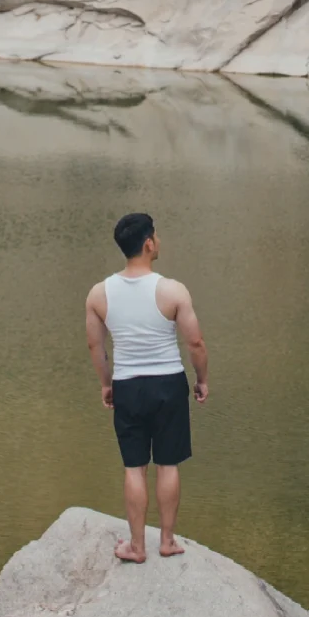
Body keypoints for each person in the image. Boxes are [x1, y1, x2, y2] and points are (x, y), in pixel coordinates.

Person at [85, 212, 209, 563]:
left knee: (134, 467)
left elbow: (96, 347)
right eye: (155, 236)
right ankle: (167, 541)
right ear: (148, 243)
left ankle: (137, 547)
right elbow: (195, 342)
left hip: (128, 385)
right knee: (168, 464)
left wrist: (106, 385)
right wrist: (201, 380)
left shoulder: (99, 294)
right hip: (168, 384)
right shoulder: (172, 290)